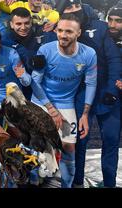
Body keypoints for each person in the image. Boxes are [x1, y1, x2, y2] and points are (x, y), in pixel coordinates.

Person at [55, 0, 121, 188]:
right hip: (80, 93)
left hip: (105, 91)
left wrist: (112, 90)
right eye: (69, 10)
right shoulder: (58, 30)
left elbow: (114, 60)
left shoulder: (100, 27)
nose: (74, 13)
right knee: (79, 141)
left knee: (110, 138)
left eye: (77, 9)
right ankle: (77, 183)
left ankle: (109, 183)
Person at [31, 13, 98, 188]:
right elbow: (35, 82)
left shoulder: (89, 54)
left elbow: (91, 83)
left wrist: (84, 114)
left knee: (69, 148)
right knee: (37, 148)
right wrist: (51, 109)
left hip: (66, 104)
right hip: (41, 102)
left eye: (68, 31)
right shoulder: (45, 50)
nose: (63, 35)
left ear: (79, 33)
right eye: (60, 30)